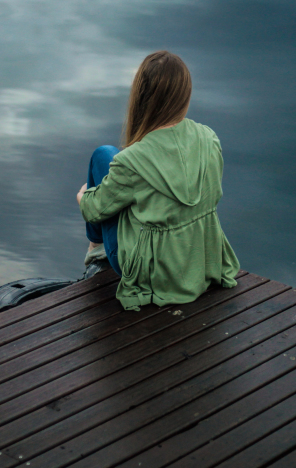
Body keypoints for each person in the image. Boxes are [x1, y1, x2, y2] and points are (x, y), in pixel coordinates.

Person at [75, 50, 241, 311]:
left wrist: (84, 196)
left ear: (141, 97)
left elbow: (92, 211)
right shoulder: (209, 139)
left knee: (103, 155)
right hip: (198, 262)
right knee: (113, 162)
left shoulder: (131, 161)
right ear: (185, 95)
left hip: (153, 275)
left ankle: (96, 251)